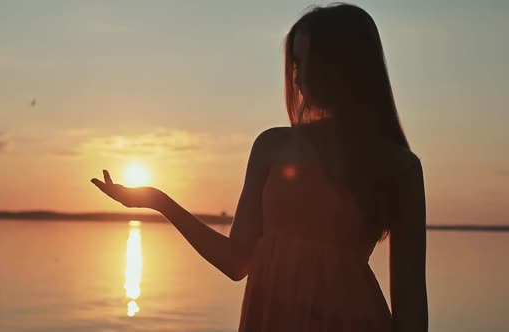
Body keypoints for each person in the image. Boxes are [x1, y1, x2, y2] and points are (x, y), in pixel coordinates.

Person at [91, 3, 428, 331]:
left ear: (340, 66)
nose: (296, 78)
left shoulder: (399, 168)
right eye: (294, 64)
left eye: (304, 62)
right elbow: (237, 262)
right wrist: (157, 201)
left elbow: (411, 308)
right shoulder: (273, 147)